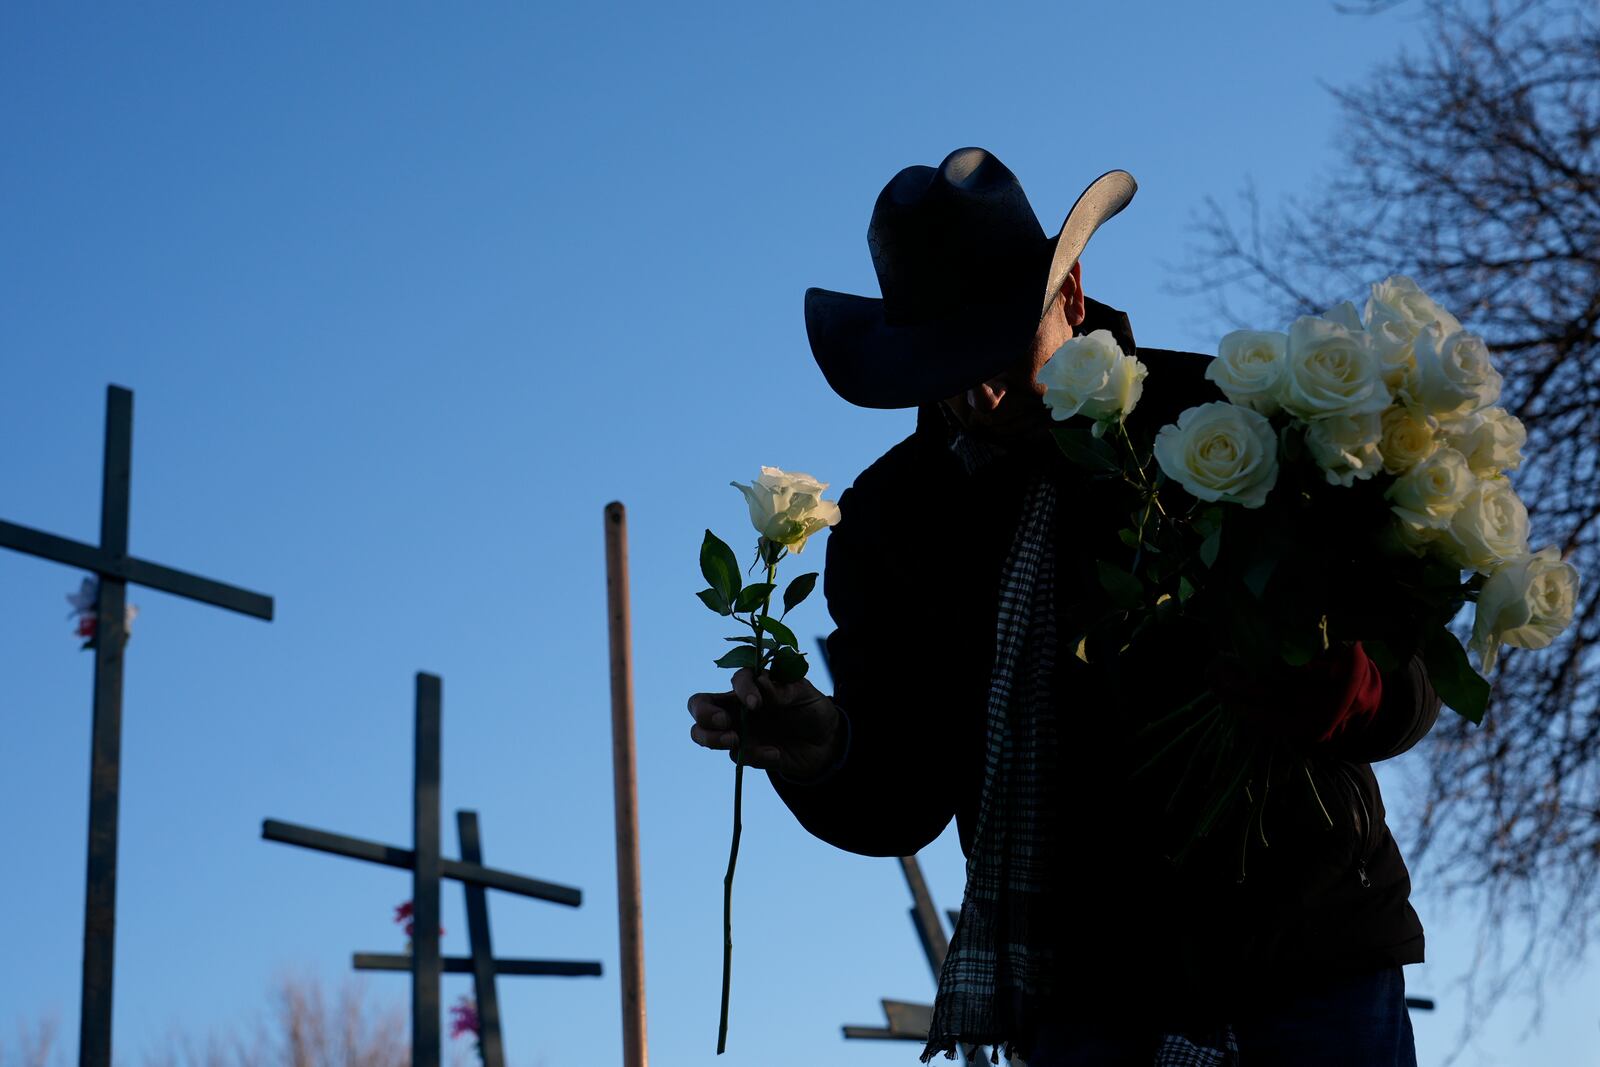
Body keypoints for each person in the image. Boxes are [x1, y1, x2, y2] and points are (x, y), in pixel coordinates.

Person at [687, 147, 1439, 1066]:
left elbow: (1406, 673)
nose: (980, 392)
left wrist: (1342, 686)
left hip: (1306, 956)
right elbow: (907, 788)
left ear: (1071, 294)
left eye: (998, 345)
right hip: (1083, 996)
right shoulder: (889, 523)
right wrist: (826, 751)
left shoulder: (1224, 416)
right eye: (942, 365)